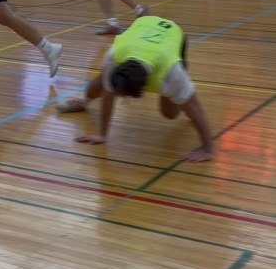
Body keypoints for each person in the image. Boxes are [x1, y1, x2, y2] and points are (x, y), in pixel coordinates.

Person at [56, 15, 213, 162]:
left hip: (173, 33)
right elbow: (108, 93)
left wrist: (207, 150)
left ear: (143, 88)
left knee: (170, 113)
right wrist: (102, 135)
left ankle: (183, 93)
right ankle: (83, 101)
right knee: (102, 81)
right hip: (145, 25)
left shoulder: (171, 73)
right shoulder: (114, 57)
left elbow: (197, 108)